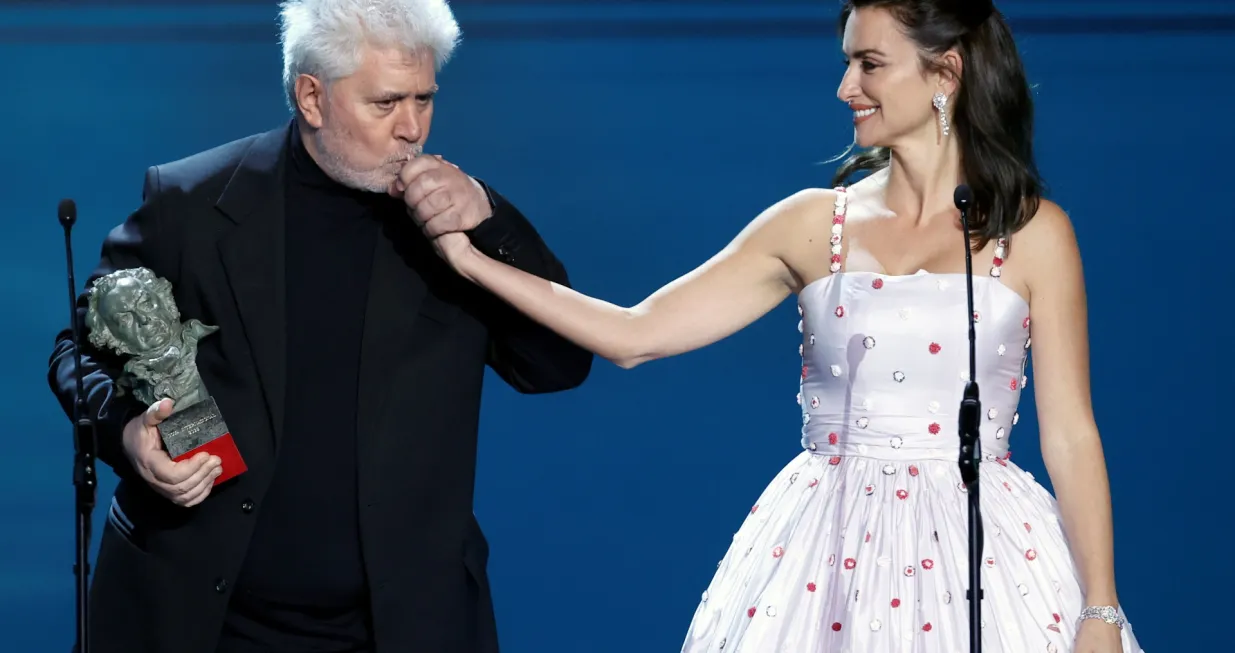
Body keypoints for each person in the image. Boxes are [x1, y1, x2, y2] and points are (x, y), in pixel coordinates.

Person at [425, 1, 1146, 651]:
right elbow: (633, 333)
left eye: (869, 63)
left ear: (945, 72)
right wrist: (470, 260)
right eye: (846, 63)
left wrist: (1100, 607)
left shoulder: (1034, 234)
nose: (845, 87)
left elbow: (1070, 433)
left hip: (986, 553)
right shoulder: (811, 224)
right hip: (825, 553)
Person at [46, 0, 592, 651]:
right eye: (386, 103)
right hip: (199, 618)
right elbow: (80, 350)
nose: (412, 128)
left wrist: (491, 219)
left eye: (424, 99)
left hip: (397, 628)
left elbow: (558, 364)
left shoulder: (458, 226)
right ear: (312, 97)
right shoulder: (193, 203)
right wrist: (128, 434)